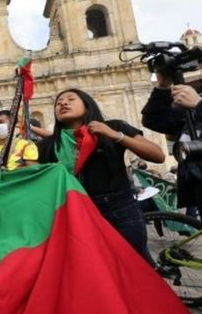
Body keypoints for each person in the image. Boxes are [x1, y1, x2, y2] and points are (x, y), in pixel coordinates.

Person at [39, 88, 165, 264]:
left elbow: (158, 155)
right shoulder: (48, 145)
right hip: (76, 216)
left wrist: (115, 136)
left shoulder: (113, 127)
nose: (63, 103)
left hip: (119, 212)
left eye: (70, 99)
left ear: (87, 105)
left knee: (134, 265)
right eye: (58, 103)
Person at [142, 71, 202, 223]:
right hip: (198, 185)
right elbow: (153, 120)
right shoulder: (189, 107)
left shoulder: (198, 103)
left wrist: (200, 104)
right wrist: (163, 87)